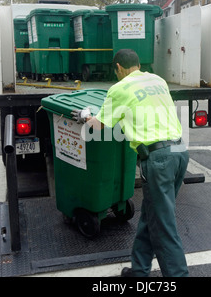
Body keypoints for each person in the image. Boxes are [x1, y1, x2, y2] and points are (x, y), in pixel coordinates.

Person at [71, 49, 189, 277]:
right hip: (179, 151)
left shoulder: (120, 88)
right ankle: (139, 271)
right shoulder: (157, 80)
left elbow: (99, 125)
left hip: (159, 158)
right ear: (138, 63)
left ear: (118, 68)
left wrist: (84, 116)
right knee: (151, 215)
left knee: (163, 227)